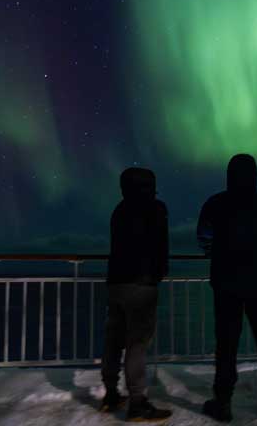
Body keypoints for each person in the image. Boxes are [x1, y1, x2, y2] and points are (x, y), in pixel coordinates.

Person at [197, 154, 257, 422]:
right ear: (255, 174)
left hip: (226, 285)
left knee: (226, 346)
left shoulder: (215, 203)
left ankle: (223, 403)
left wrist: (218, 253)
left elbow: (203, 237)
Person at [100, 167, 172, 422]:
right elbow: (160, 244)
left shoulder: (119, 210)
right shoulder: (156, 208)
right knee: (137, 344)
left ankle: (110, 394)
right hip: (141, 285)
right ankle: (137, 403)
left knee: (113, 340)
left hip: (116, 282)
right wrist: (158, 273)